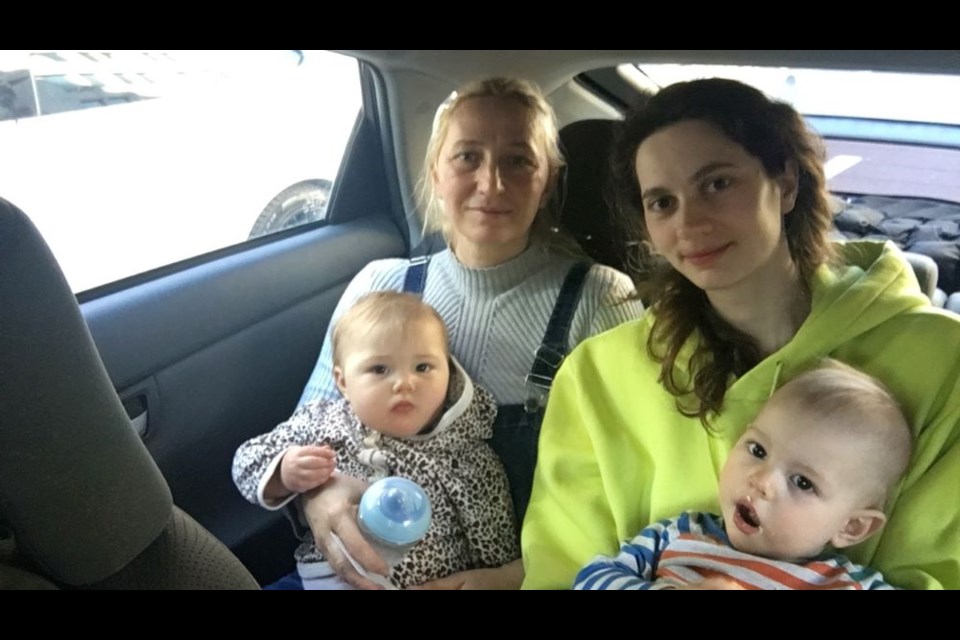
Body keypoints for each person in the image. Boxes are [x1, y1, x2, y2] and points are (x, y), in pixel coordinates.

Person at [521, 78, 960, 590]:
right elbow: (561, 570)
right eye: (662, 202)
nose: (690, 223)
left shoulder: (944, 363)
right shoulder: (595, 375)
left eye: (717, 184)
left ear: (787, 183)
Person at [274, 76, 644, 590]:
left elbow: (630, 483)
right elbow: (305, 433)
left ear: (549, 180)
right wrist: (320, 495)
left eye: (518, 161)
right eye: (467, 157)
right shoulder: (381, 283)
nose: (491, 184)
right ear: (436, 173)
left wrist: (519, 577)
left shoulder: (599, 297)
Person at [233, 291, 518, 589]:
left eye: (423, 367)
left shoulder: (466, 452)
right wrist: (283, 471)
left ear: (449, 373)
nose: (405, 383)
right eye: (380, 369)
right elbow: (246, 459)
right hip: (322, 579)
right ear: (343, 382)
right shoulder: (323, 421)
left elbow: (493, 536)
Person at [574, 361, 911, 590]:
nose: (761, 480)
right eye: (757, 450)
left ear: (851, 527)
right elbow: (592, 578)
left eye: (803, 482)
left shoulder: (847, 582)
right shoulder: (680, 533)